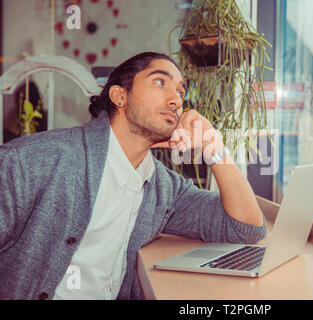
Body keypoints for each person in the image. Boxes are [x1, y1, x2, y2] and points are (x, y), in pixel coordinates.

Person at [0, 52, 266, 300]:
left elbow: (245, 227)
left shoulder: (164, 188)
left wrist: (213, 145)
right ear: (119, 96)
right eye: (160, 82)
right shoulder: (32, 161)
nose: (176, 99)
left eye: (180, 90)